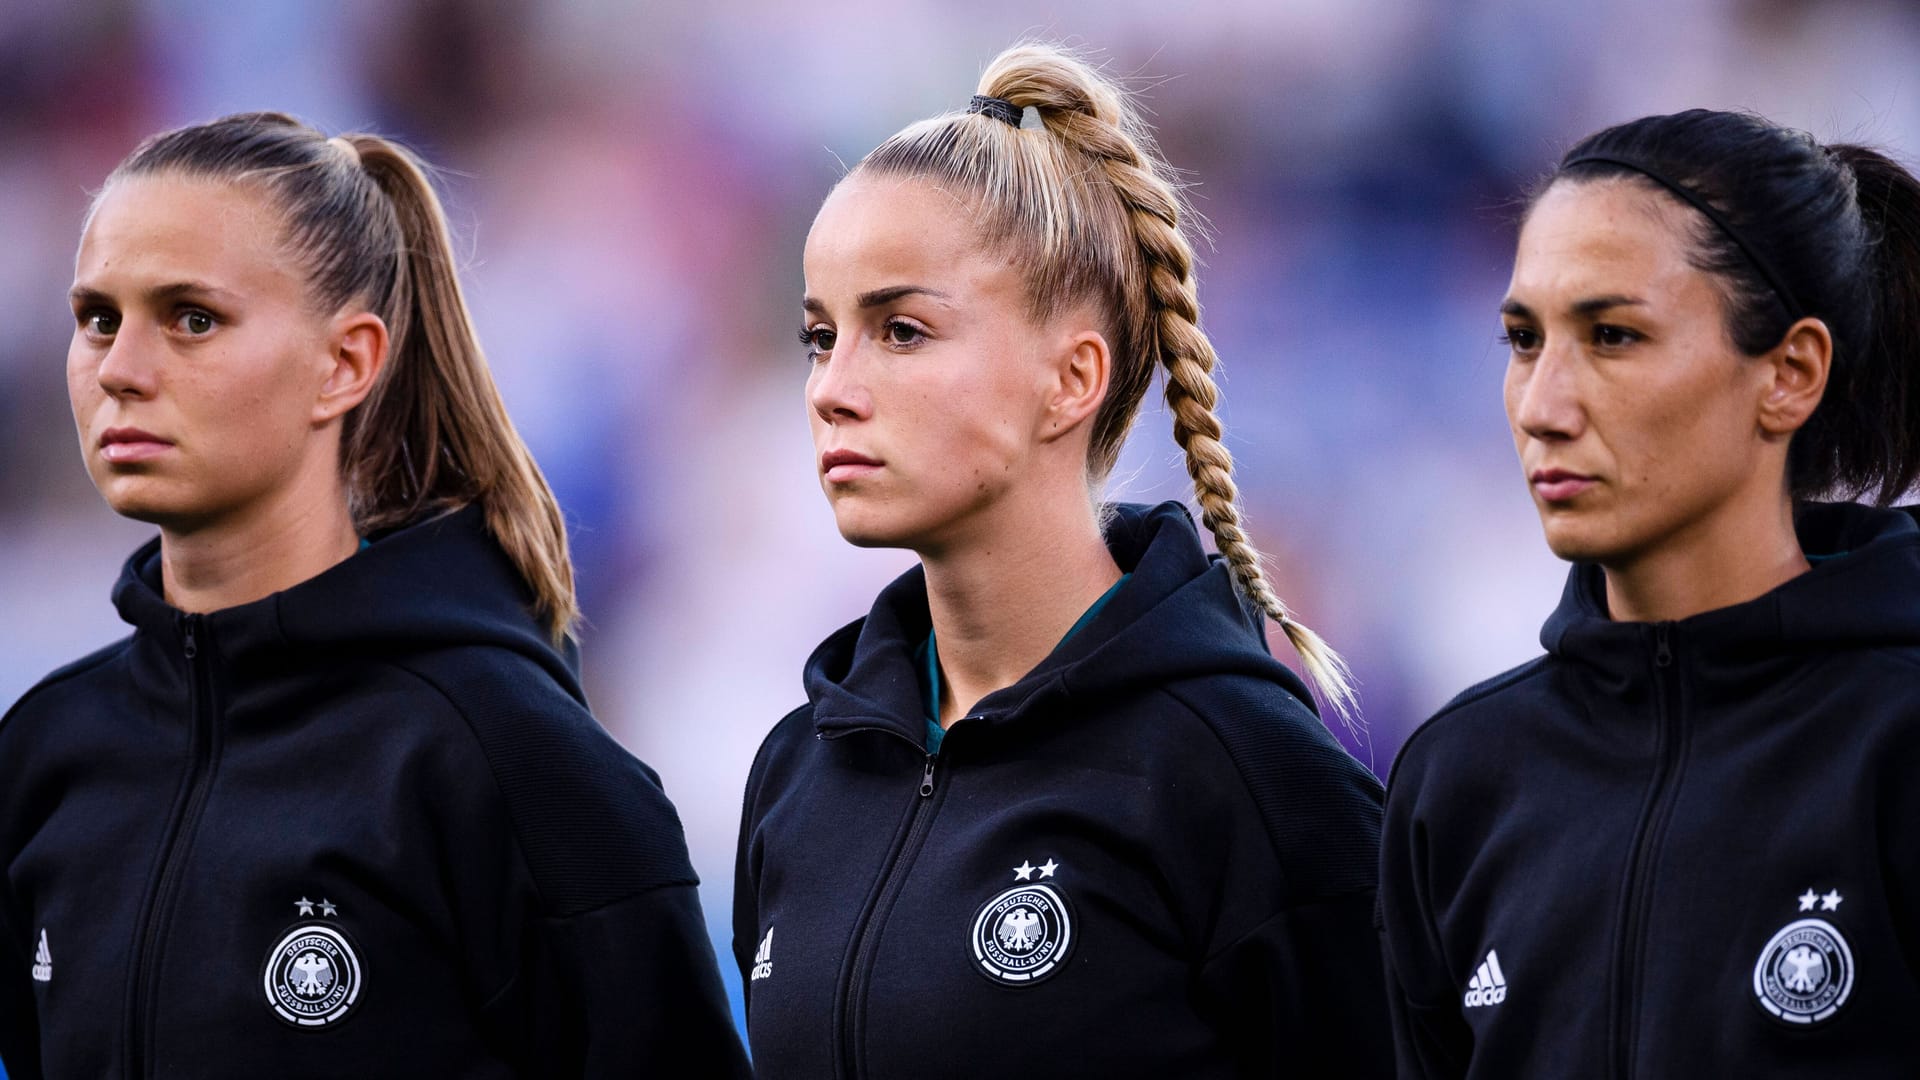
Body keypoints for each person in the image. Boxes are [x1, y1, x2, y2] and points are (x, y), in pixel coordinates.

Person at [0, 113, 749, 1078]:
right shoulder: (49, 753)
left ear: (346, 363)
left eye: (193, 318)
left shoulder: (506, 752)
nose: (120, 371)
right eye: (98, 317)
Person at [732, 43, 1392, 1079]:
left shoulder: (1247, 775)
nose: (833, 386)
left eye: (901, 330)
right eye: (821, 336)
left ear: (1071, 378)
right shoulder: (800, 771)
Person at [1379, 108, 1920, 1076]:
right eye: (1522, 340)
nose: (1543, 407)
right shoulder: (1457, 782)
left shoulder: (1897, 739)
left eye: (1614, 335)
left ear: (1790, 374)